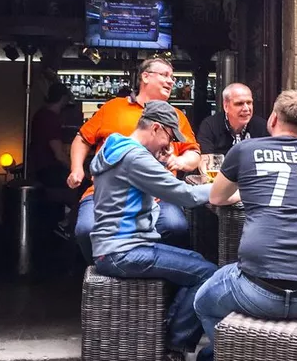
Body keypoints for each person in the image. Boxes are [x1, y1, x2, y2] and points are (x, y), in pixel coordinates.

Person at [194, 91, 297, 361]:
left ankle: (233, 352)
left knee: (202, 302)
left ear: (273, 119)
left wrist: (246, 194)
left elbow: (216, 197)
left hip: (256, 289)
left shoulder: (246, 149)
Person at [91, 101, 217, 361]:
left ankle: (168, 336)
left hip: (117, 246)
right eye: (169, 137)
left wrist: (158, 162)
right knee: (207, 274)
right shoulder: (135, 157)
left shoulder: (117, 147)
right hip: (122, 252)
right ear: (157, 128)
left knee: (195, 261)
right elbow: (185, 195)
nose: (169, 146)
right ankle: (174, 346)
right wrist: (224, 191)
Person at [68, 58, 202, 262]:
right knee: (86, 230)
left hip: (159, 194)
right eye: (165, 75)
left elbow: (194, 153)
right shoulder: (113, 107)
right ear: (145, 77)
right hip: (106, 193)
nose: (171, 81)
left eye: (173, 77)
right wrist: (76, 168)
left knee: (176, 229)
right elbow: (82, 139)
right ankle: (103, 273)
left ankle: (158, 280)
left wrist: (180, 161)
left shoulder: (174, 116)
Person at [28, 82, 82, 238]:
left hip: (39, 168)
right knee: (87, 187)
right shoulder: (50, 119)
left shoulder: (41, 114)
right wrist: (77, 169)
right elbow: (58, 154)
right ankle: (66, 224)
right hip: (48, 170)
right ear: (64, 99)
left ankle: (66, 221)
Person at [196, 83, 269, 155]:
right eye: (239, 104)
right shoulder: (210, 126)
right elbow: (206, 162)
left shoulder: (262, 126)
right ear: (226, 106)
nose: (246, 109)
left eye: (249, 103)